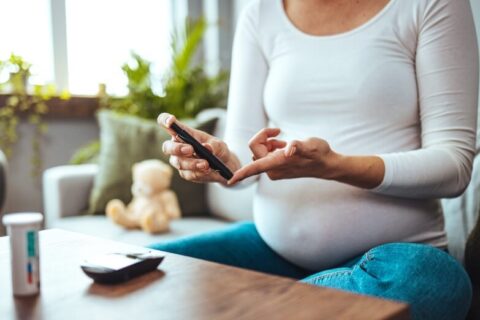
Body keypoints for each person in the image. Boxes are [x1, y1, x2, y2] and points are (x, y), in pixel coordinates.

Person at [152, 0, 479, 319]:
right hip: (272, 251)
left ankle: (263, 302)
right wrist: (221, 160)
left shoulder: (432, 4)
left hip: (392, 262)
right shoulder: (260, 14)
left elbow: (454, 166)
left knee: (433, 282)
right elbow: (244, 165)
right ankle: (305, 303)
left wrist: (335, 166)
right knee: (148, 268)